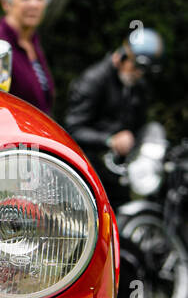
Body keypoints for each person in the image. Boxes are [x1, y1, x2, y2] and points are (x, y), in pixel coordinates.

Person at [64, 27, 164, 203]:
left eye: (144, 70)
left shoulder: (137, 85)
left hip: (120, 166)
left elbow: (140, 124)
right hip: (91, 165)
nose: (139, 73)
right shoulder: (93, 80)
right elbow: (73, 128)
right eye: (136, 66)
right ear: (122, 57)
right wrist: (109, 140)